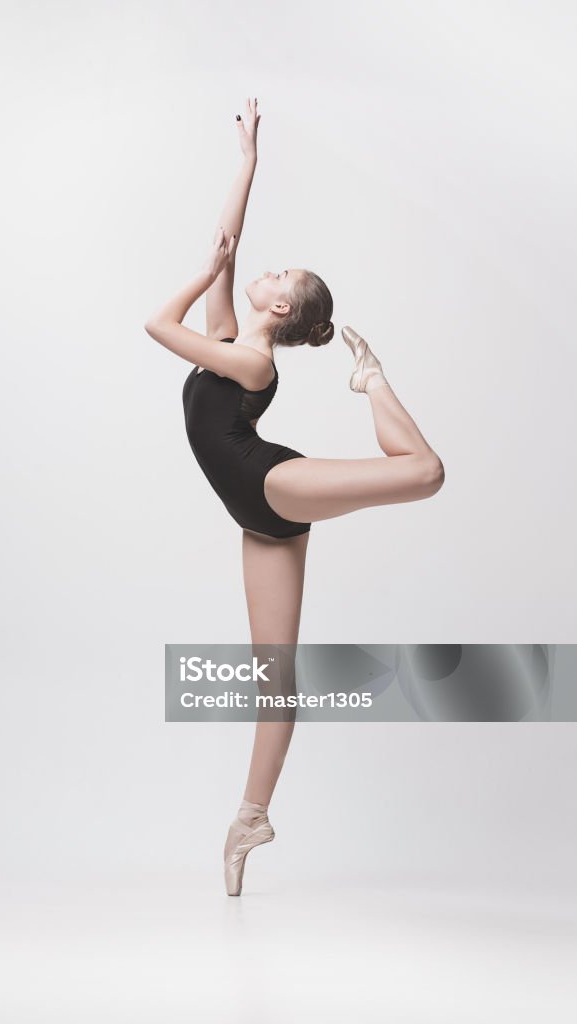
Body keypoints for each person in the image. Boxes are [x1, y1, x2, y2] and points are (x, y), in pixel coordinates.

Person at [144, 98, 445, 896]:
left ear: (279, 309)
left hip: (274, 482)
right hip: (256, 516)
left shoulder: (248, 364)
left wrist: (205, 274)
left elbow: (154, 323)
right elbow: (229, 242)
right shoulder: (231, 344)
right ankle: (251, 817)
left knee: (423, 473)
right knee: (274, 674)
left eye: (278, 278)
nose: (264, 273)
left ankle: (372, 381)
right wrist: (247, 162)